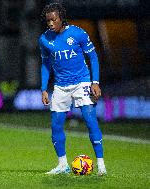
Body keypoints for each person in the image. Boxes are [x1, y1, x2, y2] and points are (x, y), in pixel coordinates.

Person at [39, 3, 107, 176]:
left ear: (61, 17)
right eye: (48, 20)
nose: (51, 23)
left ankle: (101, 165)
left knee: (90, 119)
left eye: (54, 19)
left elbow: (93, 56)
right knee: (56, 125)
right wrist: (44, 88)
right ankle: (63, 165)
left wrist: (95, 81)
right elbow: (46, 64)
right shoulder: (45, 39)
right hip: (60, 86)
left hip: (81, 82)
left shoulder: (78, 33)